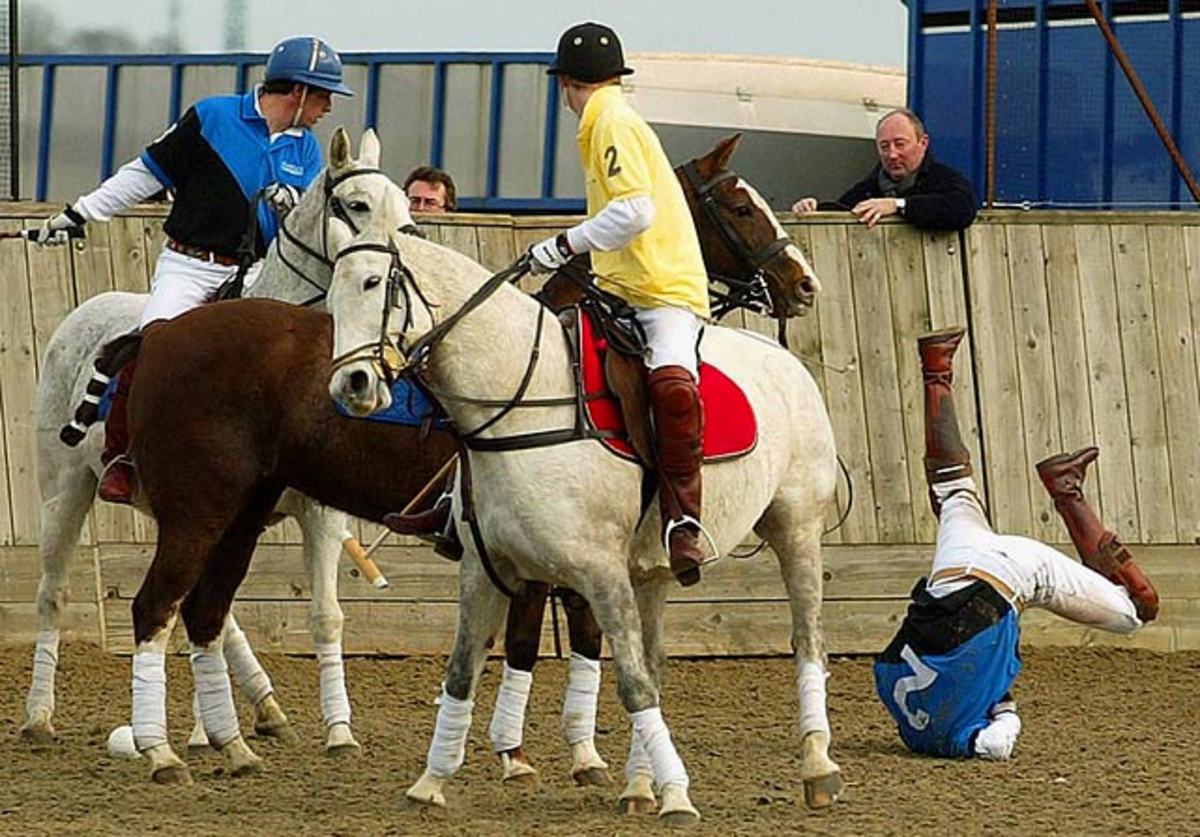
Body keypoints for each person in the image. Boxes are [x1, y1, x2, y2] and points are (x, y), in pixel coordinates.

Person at [35, 35, 354, 505]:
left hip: (257, 271)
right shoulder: (213, 117)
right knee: (153, 344)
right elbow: (145, 174)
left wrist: (293, 207)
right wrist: (81, 212)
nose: (328, 107)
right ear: (298, 91)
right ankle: (122, 455)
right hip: (190, 265)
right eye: (324, 95)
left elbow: (303, 226)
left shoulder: (305, 149)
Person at [873, 326, 1160, 760]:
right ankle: (936, 369)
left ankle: (1067, 491)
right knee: (953, 492)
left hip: (1014, 574)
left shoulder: (958, 738)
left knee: (1138, 611)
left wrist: (1001, 710)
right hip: (951, 573)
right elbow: (899, 661)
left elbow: (998, 743)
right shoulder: (891, 689)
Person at [526, 21, 713, 587]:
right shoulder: (601, 121)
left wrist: (563, 245)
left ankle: (683, 521)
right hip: (616, 286)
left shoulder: (610, 120)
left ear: (565, 84)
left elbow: (634, 212)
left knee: (672, 389)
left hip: (665, 291)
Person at [791, 108, 977, 231]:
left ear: (923, 143)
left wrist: (898, 206)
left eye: (900, 144)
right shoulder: (869, 188)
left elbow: (963, 209)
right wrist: (815, 208)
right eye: (884, 146)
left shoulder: (945, 179)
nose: (892, 154)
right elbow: (846, 210)